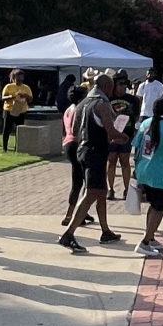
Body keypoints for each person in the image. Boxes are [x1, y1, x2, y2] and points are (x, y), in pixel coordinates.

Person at [61, 74, 125, 253]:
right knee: (91, 193)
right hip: (95, 151)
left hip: (82, 149)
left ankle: (105, 231)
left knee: (101, 191)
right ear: (106, 86)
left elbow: (74, 130)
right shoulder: (101, 104)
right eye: (111, 88)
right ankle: (69, 234)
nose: (112, 92)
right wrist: (125, 137)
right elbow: (111, 131)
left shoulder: (82, 103)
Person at [131, 95, 163, 257]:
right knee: (159, 208)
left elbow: (136, 145)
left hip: (144, 170)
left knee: (153, 205)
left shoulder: (146, 123)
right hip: (161, 173)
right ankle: (145, 241)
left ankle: (151, 236)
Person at [60, 78, 91, 228]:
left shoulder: (68, 109)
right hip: (77, 143)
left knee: (79, 177)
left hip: (67, 143)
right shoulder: (79, 109)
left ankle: (82, 211)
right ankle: (71, 213)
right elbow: (76, 128)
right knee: (81, 180)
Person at [106, 74, 140, 200]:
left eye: (125, 84)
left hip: (126, 134)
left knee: (125, 161)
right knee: (111, 160)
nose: (123, 86)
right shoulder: (108, 98)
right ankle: (110, 189)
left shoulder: (133, 100)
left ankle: (126, 189)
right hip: (111, 134)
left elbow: (136, 116)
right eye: (120, 84)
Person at [0, 69, 33, 152]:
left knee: (19, 129)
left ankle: (18, 147)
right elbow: (3, 98)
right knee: (7, 129)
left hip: (21, 111)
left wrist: (25, 95)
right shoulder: (8, 87)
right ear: (14, 78)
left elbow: (30, 99)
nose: (19, 79)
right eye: (18, 77)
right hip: (9, 110)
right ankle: (4, 148)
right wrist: (12, 96)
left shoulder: (26, 87)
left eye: (21, 77)